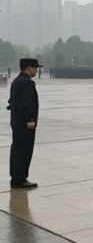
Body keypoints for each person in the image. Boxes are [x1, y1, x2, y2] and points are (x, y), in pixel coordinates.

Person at [8, 58, 41, 189]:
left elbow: (12, 101)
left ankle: (15, 177)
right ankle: (20, 179)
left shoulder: (17, 81)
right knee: (24, 151)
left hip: (16, 121)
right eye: (35, 68)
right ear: (29, 68)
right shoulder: (27, 83)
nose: (36, 70)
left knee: (16, 149)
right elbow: (26, 103)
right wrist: (30, 119)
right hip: (24, 123)